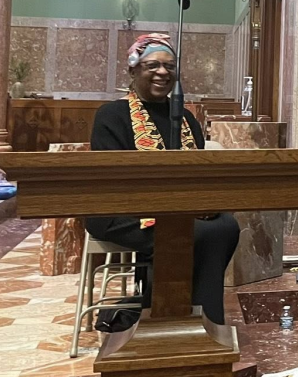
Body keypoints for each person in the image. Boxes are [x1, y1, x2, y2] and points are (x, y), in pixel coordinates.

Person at [87, 33, 240, 324]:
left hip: (180, 209)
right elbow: (112, 179)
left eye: (169, 66)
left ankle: (199, 319)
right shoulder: (112, 115)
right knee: (190, 233)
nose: (162, 72)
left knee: (225, 225)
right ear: (133, 70)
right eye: (152, 65)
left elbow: (196, 173)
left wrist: (202, 203)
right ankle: (177, 319)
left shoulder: (185, 118)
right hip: (120, 211)